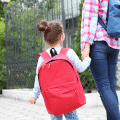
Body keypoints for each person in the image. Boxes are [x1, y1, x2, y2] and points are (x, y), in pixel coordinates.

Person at [28, 20, 91, 120]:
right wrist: (88, 59)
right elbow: (81, 68)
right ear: (61, 37)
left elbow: (38, 78)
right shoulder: (69, 53)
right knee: (72, 117)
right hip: (69, 95)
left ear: (45, 39)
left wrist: (34, 96)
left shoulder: (42, 57)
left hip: (52, 98)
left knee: (55, 117)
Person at [81, 0, 120, 120]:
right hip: (114, 44)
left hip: (98, 42)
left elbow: (90, 17)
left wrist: (86, 46)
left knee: (104, 87)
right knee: (110, 88)